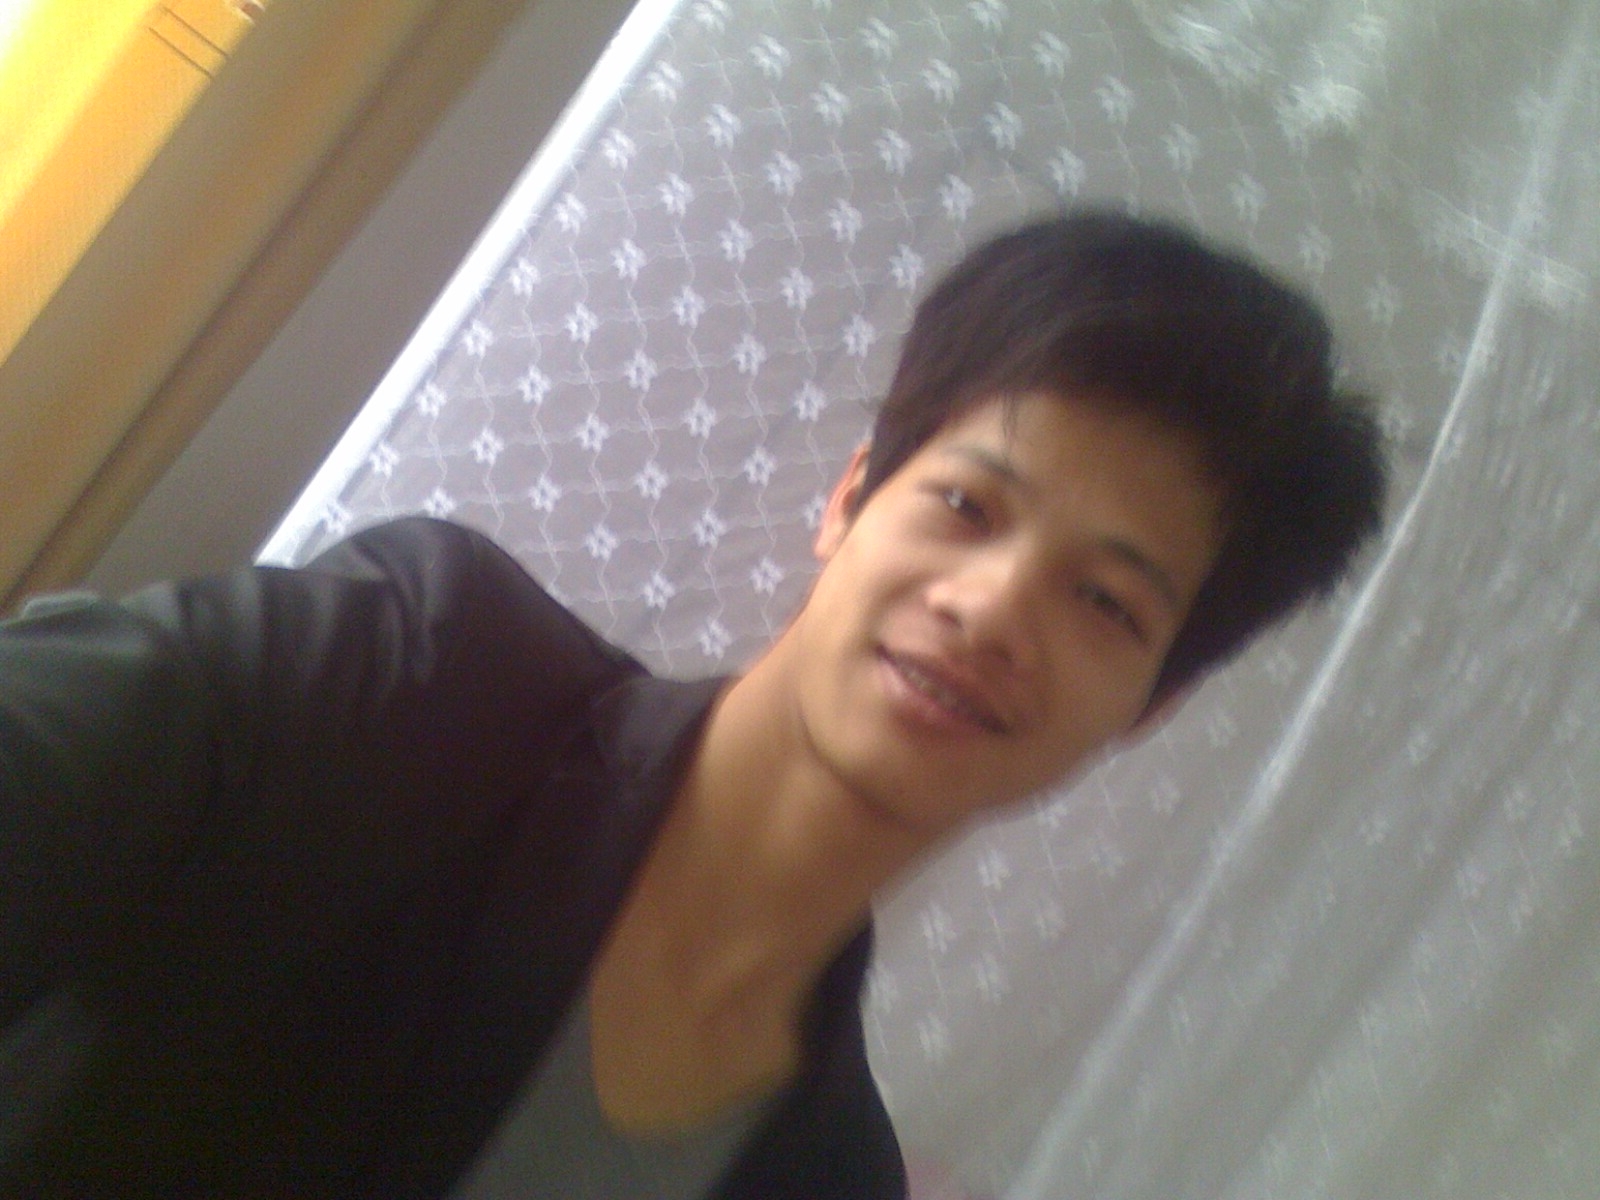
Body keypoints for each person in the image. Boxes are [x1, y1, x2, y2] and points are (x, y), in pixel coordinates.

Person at [0, 210, 1386, 1199]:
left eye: (1107, 602)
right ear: (849, 502)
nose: (992, 605)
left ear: (1151, 704)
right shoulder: (416, 669)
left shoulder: (828, 1177)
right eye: (968, 506)